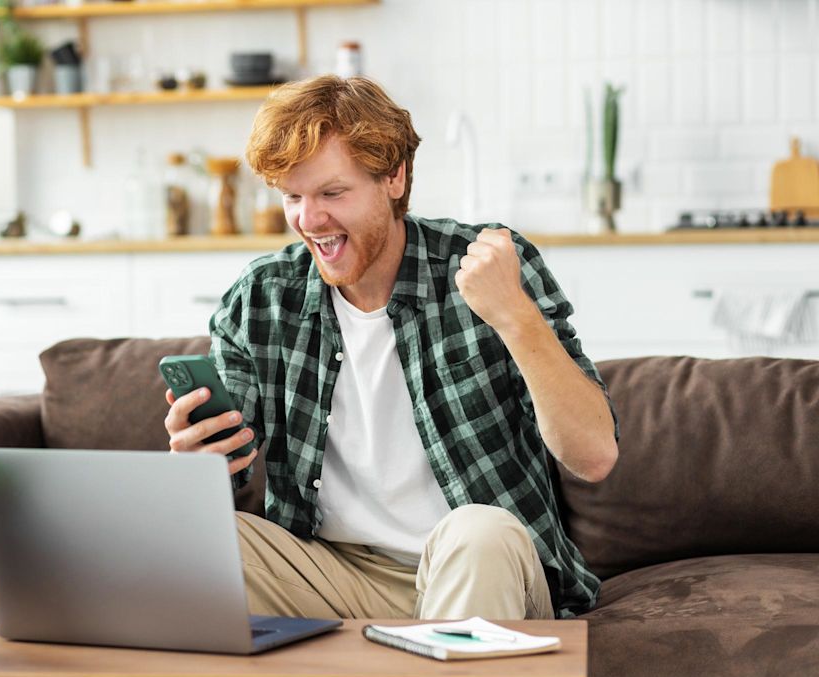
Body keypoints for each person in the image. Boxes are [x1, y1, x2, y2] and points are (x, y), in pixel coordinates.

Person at [163, 75, 619, 620]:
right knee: (201, 542)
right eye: (293, 196)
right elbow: (227, 477)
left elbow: (593, 456)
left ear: (394, 177)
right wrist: (197, 460)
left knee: (479, 532)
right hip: (331, 574)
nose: (309, 221)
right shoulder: (262, 297)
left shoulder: (486, 265)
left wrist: (515, 316)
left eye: (333, 193)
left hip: (475, 565)